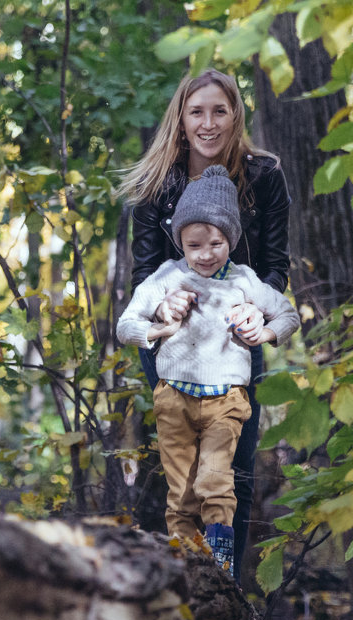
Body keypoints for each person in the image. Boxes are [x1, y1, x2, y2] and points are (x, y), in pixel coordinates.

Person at [116, 68, 292, 579]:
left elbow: (276, 263)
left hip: (236, 337)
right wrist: (163, 309)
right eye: (197, 112)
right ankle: (180, 583)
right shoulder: (158, 181)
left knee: (233, 471)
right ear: (181, 117)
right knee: (180, 474)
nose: (209, 123)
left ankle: (227, 592)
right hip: (172, 342)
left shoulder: (263, 175)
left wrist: (258, 312)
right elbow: (144, 273)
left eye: (220, 110)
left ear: (236, 114)